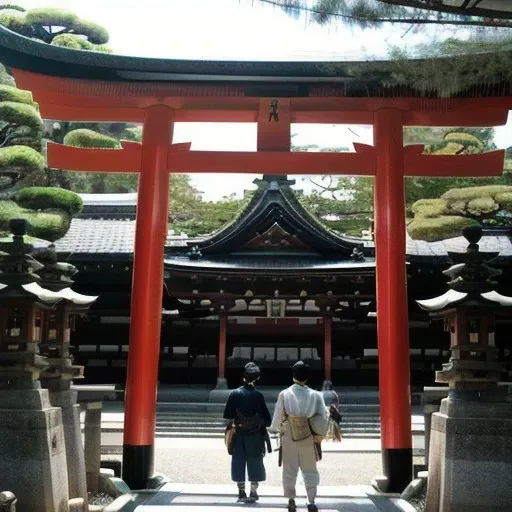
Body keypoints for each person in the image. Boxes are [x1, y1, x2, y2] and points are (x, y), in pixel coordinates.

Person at [270, 361, 329, 512]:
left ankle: (291, 499)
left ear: (293, 376)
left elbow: (278, 415)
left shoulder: (284, 394)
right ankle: (311, 500)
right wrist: (320, 434)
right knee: (309, 468)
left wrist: (275, 429)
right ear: (307, 377)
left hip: (289, 433)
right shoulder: (316, 395)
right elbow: (323, 417)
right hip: (308, 434)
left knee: (289, 468)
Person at [223, 362, 272, 503]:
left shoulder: (234, 394)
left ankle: (241, 491)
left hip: (239, 434)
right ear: (257, 378)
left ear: (243, 377)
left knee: (238, 461)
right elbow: (267, 420)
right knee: (256, 460)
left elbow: (227, 415)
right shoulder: (258, 396)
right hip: (256, 435)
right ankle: (254, 491)